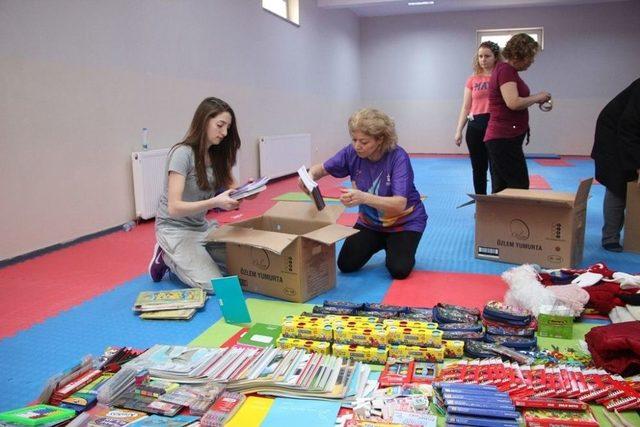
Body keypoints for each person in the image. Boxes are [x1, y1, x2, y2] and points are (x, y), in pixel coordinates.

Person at [302, 108, 427, 279]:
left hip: (404, 223)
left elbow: (399, 204)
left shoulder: (398, 157)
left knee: (399, 270)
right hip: (370, 223)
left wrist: (362, 197)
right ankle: (381, 242)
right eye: (354, 140)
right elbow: (321, 169)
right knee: (346, 265)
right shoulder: (351, 153)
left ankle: (396, 245)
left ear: (380, 139)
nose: (357, 146)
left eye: (364, 141)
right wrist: (309, 177)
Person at [148, 97, 244, 292]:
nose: (224, 133)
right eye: (220, 125)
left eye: (228, 127)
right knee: (214, 286)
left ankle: (188, 255)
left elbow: (234, 190)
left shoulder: (218, 155)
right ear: (204, 121)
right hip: (174, 229)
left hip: (202, 227)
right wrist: (214, 202)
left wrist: (249, 192)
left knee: (241, 270)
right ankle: (166, 257)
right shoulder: (182, 154)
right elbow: (174, 208)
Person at [484, 33, 551, 194]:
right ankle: (508, 218)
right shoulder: (506, 70)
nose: (532, 61)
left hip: (503, 139)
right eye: (531, 57)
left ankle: (499, 218)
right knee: (518, 186)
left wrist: (534, 99)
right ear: (521, 54)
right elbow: (512, 102)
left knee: (502, 188)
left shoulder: (505, 70)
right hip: (503, 139)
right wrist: (538, 97)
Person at [591, 78, 640, 252]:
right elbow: (629, 127)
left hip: (628, 135)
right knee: (617, 184)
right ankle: (610, 237)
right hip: (612, 138)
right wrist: (638, 164)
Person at [454, 41, 501, 195]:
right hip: (475, 126)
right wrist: (459, 130)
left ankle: (496, 202)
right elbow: (466, 107)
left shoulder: (500, 77)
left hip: (494, 125)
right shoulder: (473, 79)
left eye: (487, 56)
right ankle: (481, 203)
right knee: (478, 168)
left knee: (496, 166)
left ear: (495, 57)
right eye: (480, 56)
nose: (483, 59)